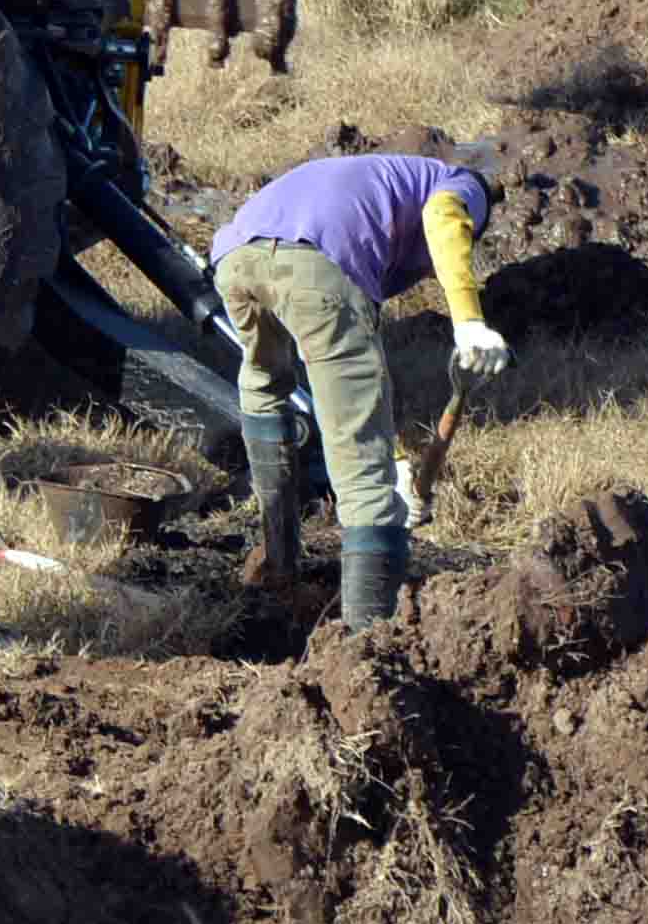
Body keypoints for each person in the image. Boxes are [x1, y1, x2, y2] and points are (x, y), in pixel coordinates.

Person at [209, 144, 514, 630]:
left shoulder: (382, 176)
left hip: (235, 257)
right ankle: (367, 639)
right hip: (315, 259)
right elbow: (444, 217)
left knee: (266, 387)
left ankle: (279, 569)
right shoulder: (463, 184)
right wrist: (469, 322)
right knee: (361, 461)